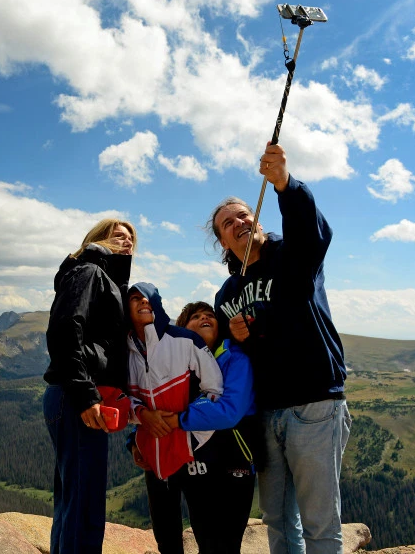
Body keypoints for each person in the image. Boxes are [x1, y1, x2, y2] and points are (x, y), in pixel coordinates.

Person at [209, 143, 351, 554]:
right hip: (266, 413)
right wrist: (237, 340)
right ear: (222, 242)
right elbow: (225, 359)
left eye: (243, 215)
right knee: (277, 520)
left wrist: (286, 185)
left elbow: (313, 232)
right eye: (226, 223)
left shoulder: (291, 258)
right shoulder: (226, 294)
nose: (238, 222)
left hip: (314, 404)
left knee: (320, 522)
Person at [43, 218, 136, 554]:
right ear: (98, 239)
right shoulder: (90, 272)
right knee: (85, 505)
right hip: (77, 396)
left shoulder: (104, 280)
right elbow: (66, 330)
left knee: (73, 500)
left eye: (131, 239)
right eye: (118, 235)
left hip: (73, 395)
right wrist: (85, 395)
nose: (127, 242)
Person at [124, 283, 225, 554]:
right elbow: (123, 398)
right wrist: (136, 433)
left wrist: (189, 430)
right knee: (165, 533)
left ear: (157, 303)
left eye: (148, 297)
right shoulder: (123, 350)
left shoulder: (184, 340)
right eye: (135, 298)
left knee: (207, 531)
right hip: (153, 454)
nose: (143, 302)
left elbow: (215, 390)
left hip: (193, 451)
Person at [172, 301, 260, 554]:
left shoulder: (236, 358)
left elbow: (230, 412)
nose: (204, 318)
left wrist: (178, 417)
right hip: (196, 458)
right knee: (204, 536)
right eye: (196, 316)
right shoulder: (176, 364)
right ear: (183, 327)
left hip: (236, 456)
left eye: (210, 315)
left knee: (228, 540)